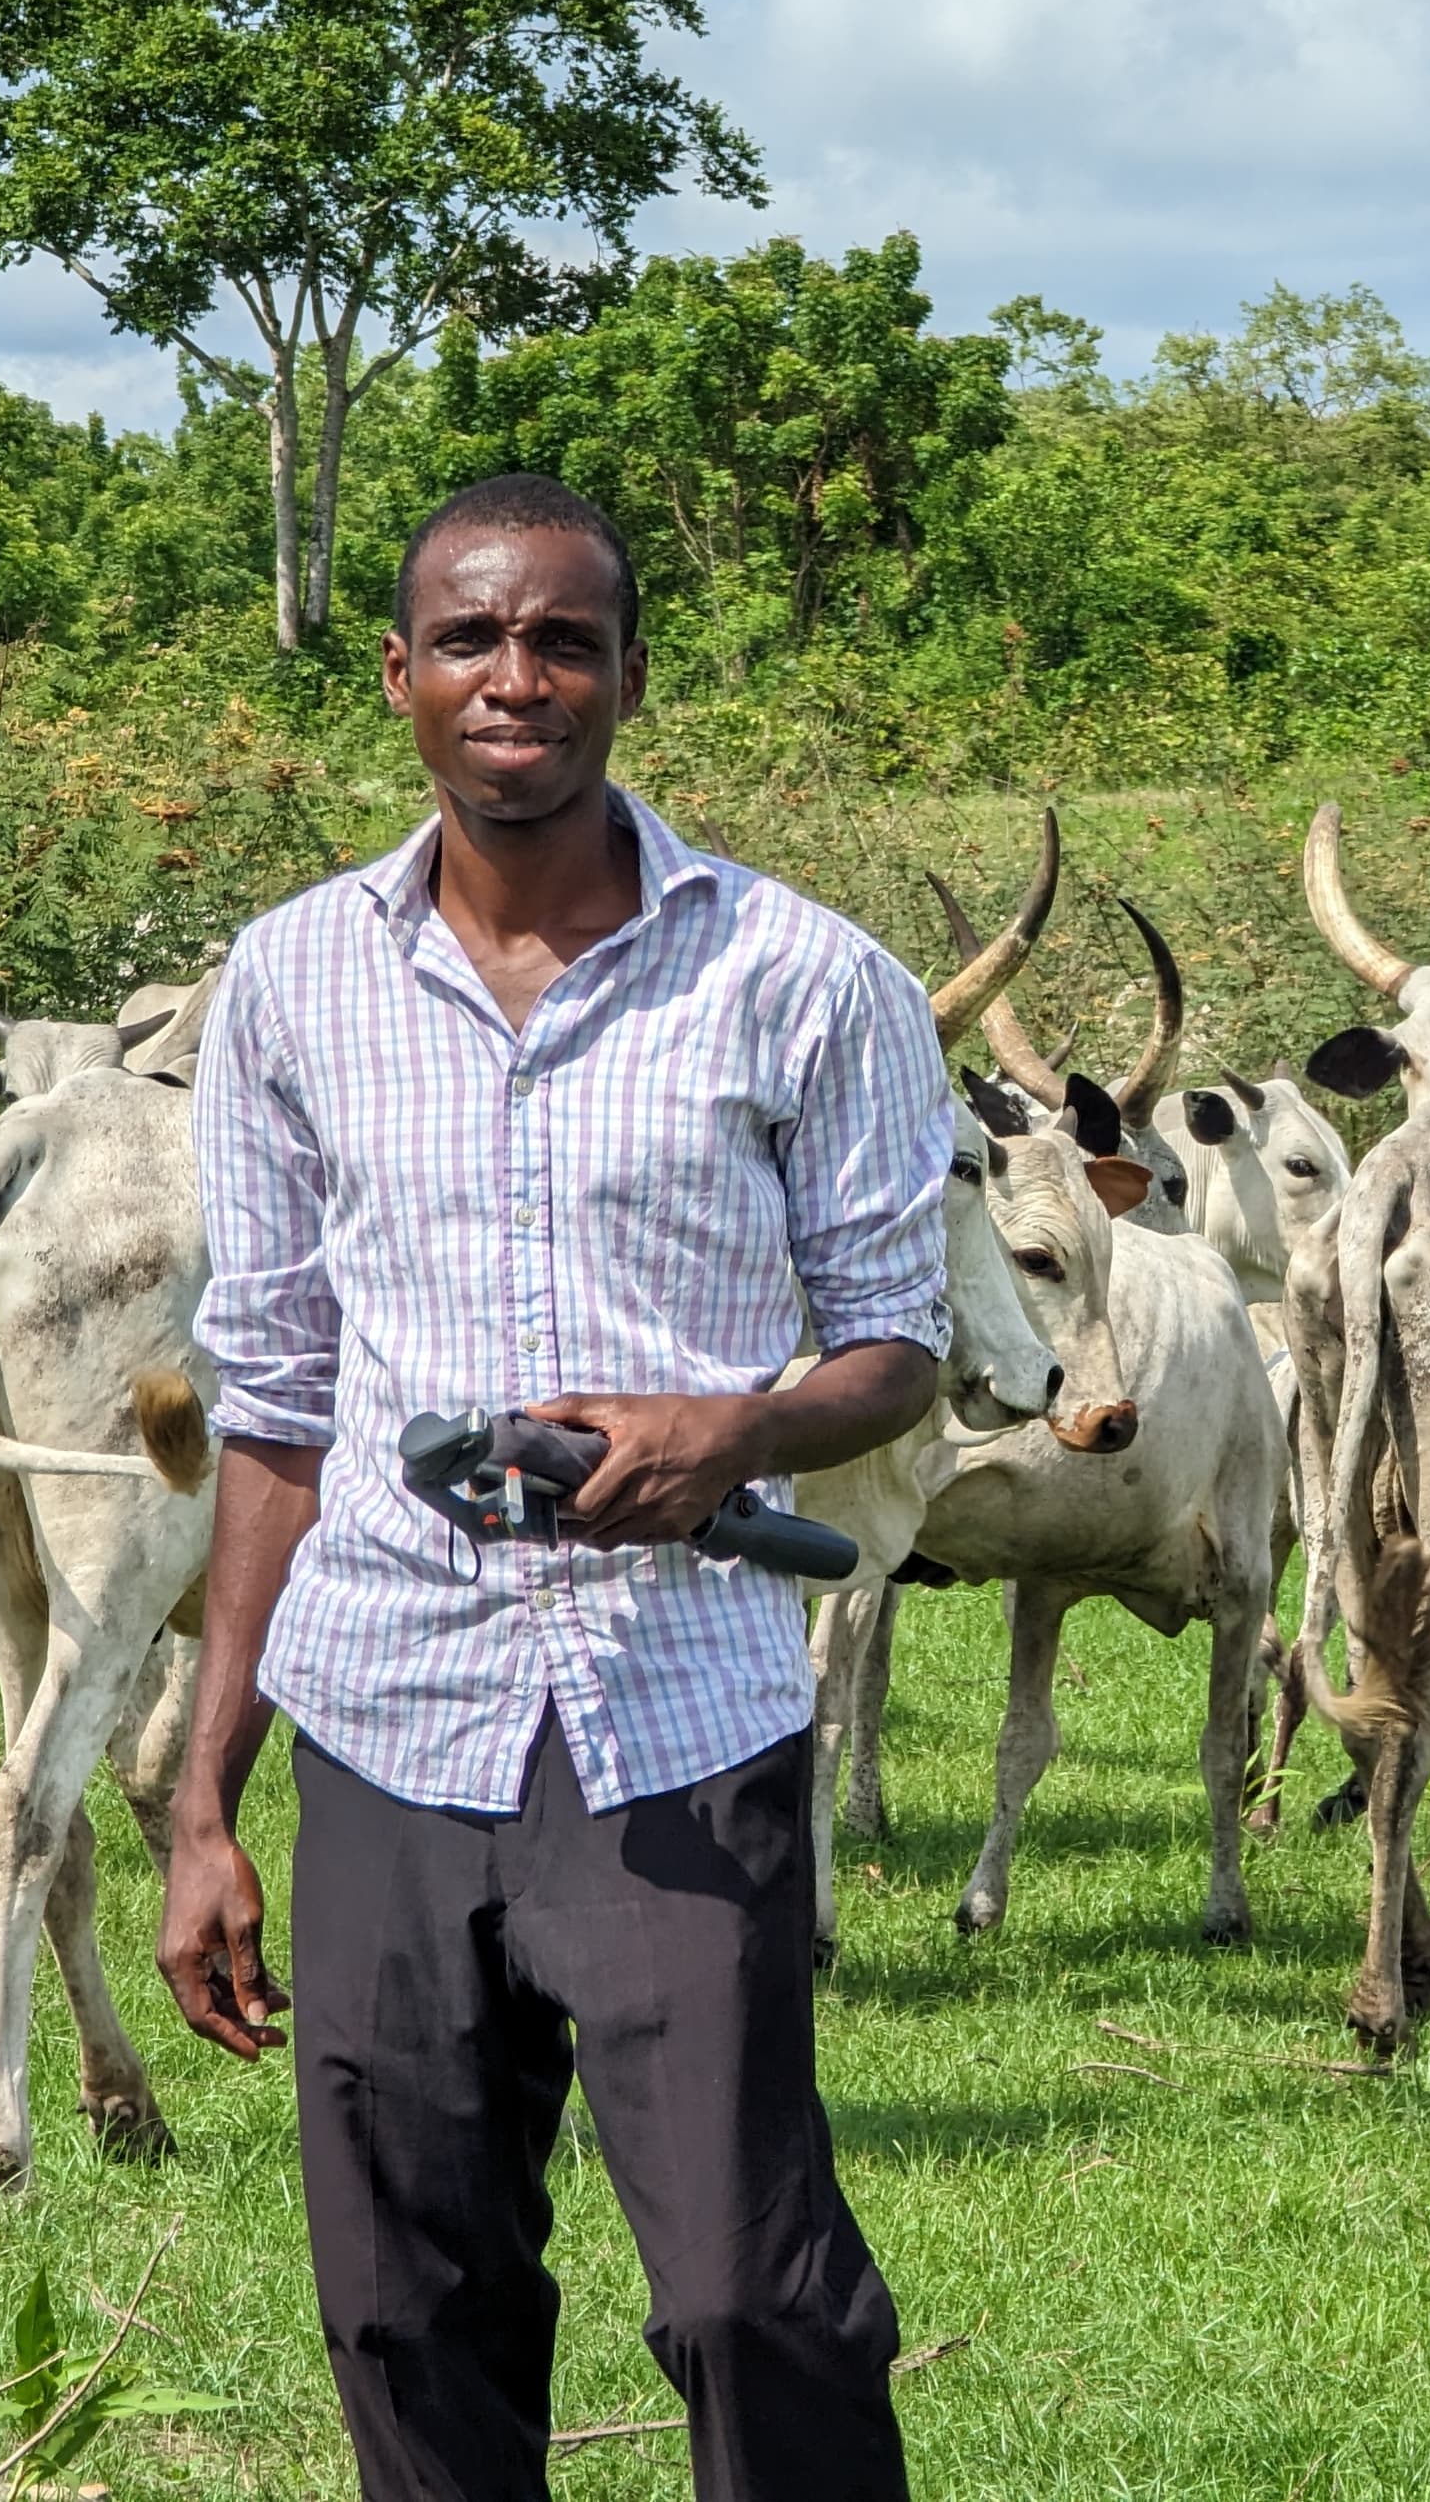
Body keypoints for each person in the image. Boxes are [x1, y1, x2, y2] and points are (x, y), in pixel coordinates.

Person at [157, 473, 939, 2500]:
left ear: (627, 677)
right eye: (477, 640)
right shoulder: (292, 983)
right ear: (403, 674)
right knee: (410, 2303)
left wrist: (732, 1432)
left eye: (565, 641)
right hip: (390, 1716)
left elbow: (896, 1345)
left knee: (747, 2298)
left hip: (675, 1719)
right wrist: (202, 1798)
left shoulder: (800, 975)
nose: (521, 680)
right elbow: (273, 1406)